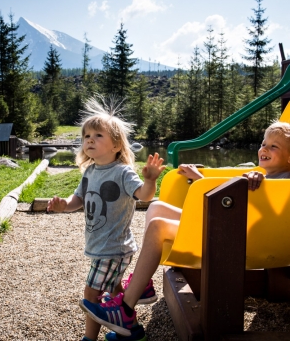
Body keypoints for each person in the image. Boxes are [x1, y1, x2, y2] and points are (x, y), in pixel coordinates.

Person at [79, 120, 290, 340]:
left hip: (241, 241)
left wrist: (258, 183)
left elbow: (269, 210)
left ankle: (126, 309)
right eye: (264, 143)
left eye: (274, 146)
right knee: (157, 207)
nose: (264, 149)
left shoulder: (278, 181)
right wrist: (201, 178)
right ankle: (142, 285)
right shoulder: (260, 175)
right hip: (232, 230)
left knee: (158, 226)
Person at [46, 96, 166, 341]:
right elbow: (77, 199)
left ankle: (89, 339)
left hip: (113, 248)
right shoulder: (90, 171)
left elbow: (143, 195)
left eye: (98, 135)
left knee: (91, 295)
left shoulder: (122, 172)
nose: (90, 139)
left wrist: (151, 180)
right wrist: (63, 205)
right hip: (100, 246)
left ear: (117, 145)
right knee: (114, 292)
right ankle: (131, 331)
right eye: (86, 136)